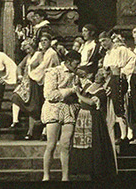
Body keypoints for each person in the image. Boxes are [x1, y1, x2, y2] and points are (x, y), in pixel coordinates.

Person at [70, 68, 117, 181]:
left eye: (100, 74)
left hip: (93, 118)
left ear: (104, 78)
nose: (97, 75)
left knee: (94, 143)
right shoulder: (88, 86)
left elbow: (91, 102)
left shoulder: (102, 92)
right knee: (80, 142)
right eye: (97, 73)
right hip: (82, 116)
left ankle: (94, 170)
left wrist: (78, 95)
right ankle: (81, 168)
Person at [41, 50, 81, 181]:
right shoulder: (54, 72)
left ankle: (65, 177)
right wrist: (70, 90)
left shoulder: (76, 75)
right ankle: (46, 176)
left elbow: (78, 93)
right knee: (51, 144)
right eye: (76, 64)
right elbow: (50, 94)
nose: (77, 66)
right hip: (54, 108)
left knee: (66, 144)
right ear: (68, 62)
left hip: (69, 108)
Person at [100, 31, 136, 144]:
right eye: (101, 42)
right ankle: (119, 133)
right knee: (113, 105)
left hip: (119, 79)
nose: (103, 44)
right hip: (111, 79)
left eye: (104, 40)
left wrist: (124, 71)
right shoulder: (108, 54)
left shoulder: (120, 49)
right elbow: (106, 68)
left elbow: (133, 58)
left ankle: (126, 134)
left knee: (120, 104)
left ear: (110, 39)